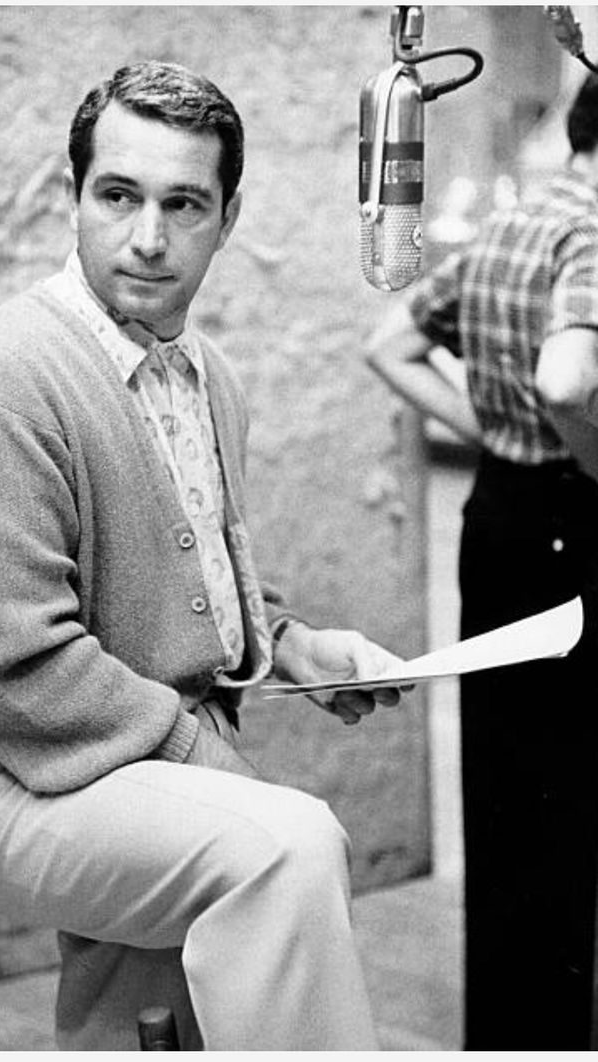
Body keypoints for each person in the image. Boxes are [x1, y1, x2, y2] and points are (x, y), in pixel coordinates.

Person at [0, 60, 407, 1051]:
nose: (148, 237)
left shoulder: (206, 376)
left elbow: (193, 577)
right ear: (76, 197)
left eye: (184, 204)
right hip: (4, 775)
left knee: (144, 1023)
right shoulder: (1, 377)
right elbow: (16, 675)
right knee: (285, 846)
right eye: (118, 196)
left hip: (130, 753)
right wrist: (216, 760)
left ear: (226, 219)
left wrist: (291, 645)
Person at [365, 73, 598, 1051]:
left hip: (497, 517)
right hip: (572, 525)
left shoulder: (513, 219)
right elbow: (567, 378)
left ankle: (510, 1041)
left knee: (507, 797)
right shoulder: (592, 232)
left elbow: (392, 345)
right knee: (576, 802)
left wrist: (496, 434)